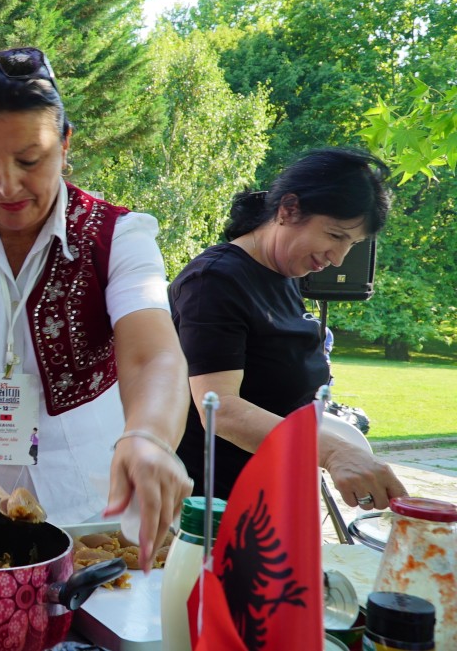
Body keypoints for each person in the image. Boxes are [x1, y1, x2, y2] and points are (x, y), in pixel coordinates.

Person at [0, 46, 191, 565]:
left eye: (30, 160)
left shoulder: (119, 236)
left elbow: (153, 356)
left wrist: (148, 437)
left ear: (65, 145)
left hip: (87, 507)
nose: (7, 185)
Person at [168, 148, 407, 509]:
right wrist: (333, 452)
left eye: (352, 244)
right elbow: (220, 409)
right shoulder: (214, 280)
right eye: (335, 235)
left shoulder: (284, 275)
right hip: (216, 507)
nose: (338, 259)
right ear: (288, 209)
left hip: (273, 495)